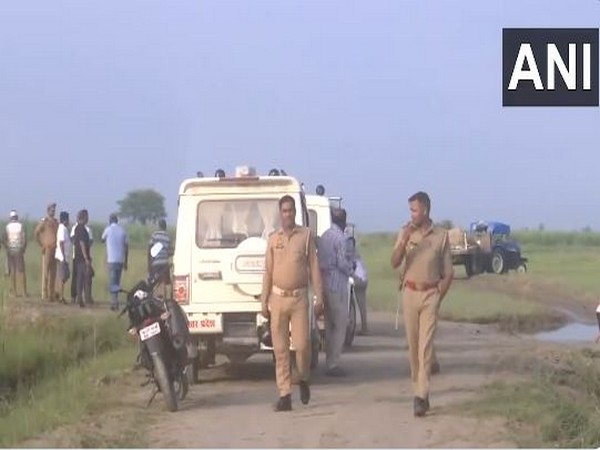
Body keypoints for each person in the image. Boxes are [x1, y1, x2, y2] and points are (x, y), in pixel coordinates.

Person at [390, 191, 453, 417]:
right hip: (410, 293)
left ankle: (421, 395)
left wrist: (438, 297)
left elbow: (448, 273)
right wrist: (404, 240)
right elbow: (394, 262)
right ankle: (418, 385)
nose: (412, 214)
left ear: (425, 210)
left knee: (425, 347)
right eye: (410, 210)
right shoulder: (405, 232)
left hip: (429, 296)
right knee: (414, 346)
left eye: (414, 210)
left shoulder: (441, 236)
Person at [261, 195, 325, 412]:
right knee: (279, 350)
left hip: (299, 299)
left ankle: (304, 378)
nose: (287, 214)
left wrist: (319, 297)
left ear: (295, 212)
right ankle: (285, 394)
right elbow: (268, 271)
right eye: (284, 211)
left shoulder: (305, 236)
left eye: (291, 210)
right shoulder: (273, 239)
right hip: (277, 299)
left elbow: (314, 268)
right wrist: (264, 301)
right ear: (280, 213)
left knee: (302, 345)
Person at [318, 208, 355, 376]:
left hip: (324, 282)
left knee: (328, 325)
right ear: (344, 221)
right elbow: (342, 262)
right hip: (337, 283)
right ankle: (333, 363)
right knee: (340, 324)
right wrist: (352, 269)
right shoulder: (342, 238)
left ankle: (328, 361)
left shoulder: (325, 235)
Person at [101, 213, 129, 311]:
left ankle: (114, 303)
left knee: (113, 282)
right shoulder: (122, 230)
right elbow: (126, 247)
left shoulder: (108, 229)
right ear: (117, 221)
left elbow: (102, 239)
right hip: (120, 260)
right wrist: (126, 261)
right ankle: (115, 300)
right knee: (117, 281)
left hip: (111, 259)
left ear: (110, 221)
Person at [34, 202, 58, 300]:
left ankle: (51, 293)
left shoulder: (56, 222)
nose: (53, 211)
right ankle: (44, 294)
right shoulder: (44, 221)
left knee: (53, 273)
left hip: (55, 249)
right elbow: (36, 233)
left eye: (54, 210)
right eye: (52, 210)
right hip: (47, 248)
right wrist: (41, 244)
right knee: (46, 272)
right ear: (48, 210)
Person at [3, 210, 28, 297]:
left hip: (10, 250)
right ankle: (24, 292)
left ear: (10, 218)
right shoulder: (20, 226)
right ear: (16, 217)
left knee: (12, 272)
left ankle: (14, 293)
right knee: (21, 271)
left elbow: (4, 239)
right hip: (19, 250)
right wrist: (23, 248)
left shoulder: (7, 227)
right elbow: (24, 238)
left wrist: (7, 248)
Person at [72, 209, 94, 307]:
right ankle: (87, 299)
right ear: (84, 217)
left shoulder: (77, 228)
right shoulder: (82, 229)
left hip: (77, 257)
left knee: (79, 279)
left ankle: (80, 298)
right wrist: (86, 258)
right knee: (87, 279)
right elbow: (82, 243)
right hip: (82, 258)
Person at [348, 237, 369, 335]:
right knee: (362, 305)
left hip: (359, 280)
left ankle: (363, 328)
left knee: (357, 303)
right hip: (363, 278)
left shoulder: (351, 254)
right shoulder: (356, 253)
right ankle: (364, 327)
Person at [148, 219, 172, 299]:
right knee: (163, 282)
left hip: (156, 262)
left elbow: (150, 248)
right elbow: (169, 251)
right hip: (164, 262)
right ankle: (164, 300)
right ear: (165, 227)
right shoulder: (168, 236)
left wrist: (149, 263)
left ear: (159, 226)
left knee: (155, 282)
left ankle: (157, 299)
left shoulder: (154, 235)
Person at [55, 211, 71, 303]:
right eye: (68, 219)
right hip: (62, 256)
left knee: (65, 275)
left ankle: (58, 292)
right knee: (63, 276)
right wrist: (63, 257)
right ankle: (61, 296)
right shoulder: (62, 229)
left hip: (64, 256)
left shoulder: (64, 228)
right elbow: (61, 242)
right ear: (65, 220)